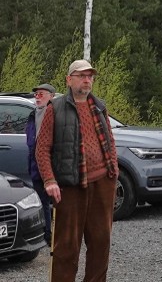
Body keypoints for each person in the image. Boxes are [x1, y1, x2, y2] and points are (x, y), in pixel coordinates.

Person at [35, 60, 118, 281]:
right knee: (66, 248)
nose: (87, 79)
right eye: (81, 75)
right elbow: (42, 149)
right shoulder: (56, 108)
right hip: (70, 187)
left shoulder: (99, 106)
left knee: (101, 244)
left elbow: (110, 141)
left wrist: (113, 172)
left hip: (102, 184)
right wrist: (50, 180)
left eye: (90, 76)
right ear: (69, 80)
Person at [25, 83, 55, 246]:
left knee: (57, 203)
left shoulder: (55, 114)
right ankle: (47, 235)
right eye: (36, 94)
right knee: (42, 202)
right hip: (35, 166)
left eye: (41, 94)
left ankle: (57, 234)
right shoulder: (32, 115)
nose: (37, 97)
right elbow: (31, 142)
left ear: (51, 96)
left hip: (51, 167)